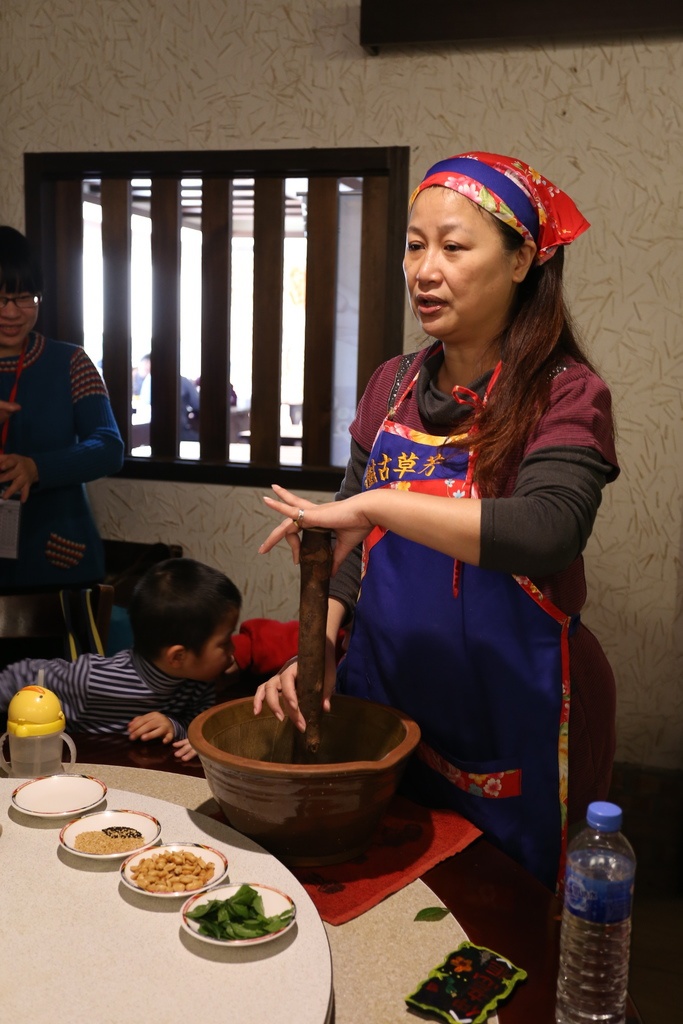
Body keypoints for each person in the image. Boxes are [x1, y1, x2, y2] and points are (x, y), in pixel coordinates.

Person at [253, 152, 619, 892]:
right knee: (383, 895)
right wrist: (320, 643)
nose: (425, 270)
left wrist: (379, 503)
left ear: (521, 260)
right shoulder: (391, 383)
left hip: (508, 704)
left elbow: (548, 530)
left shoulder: (564, 392)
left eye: (453, 247)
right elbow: (350, 546)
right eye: (415, 245)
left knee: (496, 914)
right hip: (388, 691)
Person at [0, 558, 242, 761]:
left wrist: (174, 726)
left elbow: (201, 727)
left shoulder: (200, 681)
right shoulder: (91, 677)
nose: (233, 649)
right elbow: (17, 676)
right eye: (224, 642)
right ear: (178, 656)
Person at [0, 226, 124, 591]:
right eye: (0, 298)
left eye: (24, 298)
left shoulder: (71, 361)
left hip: (57, 557)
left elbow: (109, 447)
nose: (11, 312)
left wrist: (37, 468)